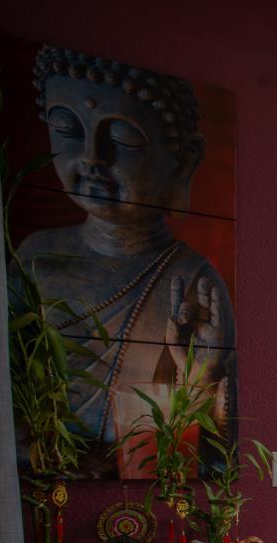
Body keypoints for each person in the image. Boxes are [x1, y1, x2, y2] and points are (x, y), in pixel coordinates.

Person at [14, 45, 234, 477]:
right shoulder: (36, 256)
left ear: (183, 160)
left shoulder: (192, 280)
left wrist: (203, 376)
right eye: (68, 129)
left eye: (122, 138)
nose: (94, 157)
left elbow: (219, 457)